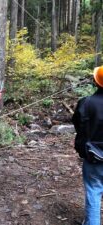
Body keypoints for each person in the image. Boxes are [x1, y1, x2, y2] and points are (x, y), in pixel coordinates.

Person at [72, 66, 103, 225]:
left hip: (94, 157)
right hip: (95, 156)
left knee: (94, 192)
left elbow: (78, 125)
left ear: (96, 82)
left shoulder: (86, 102)